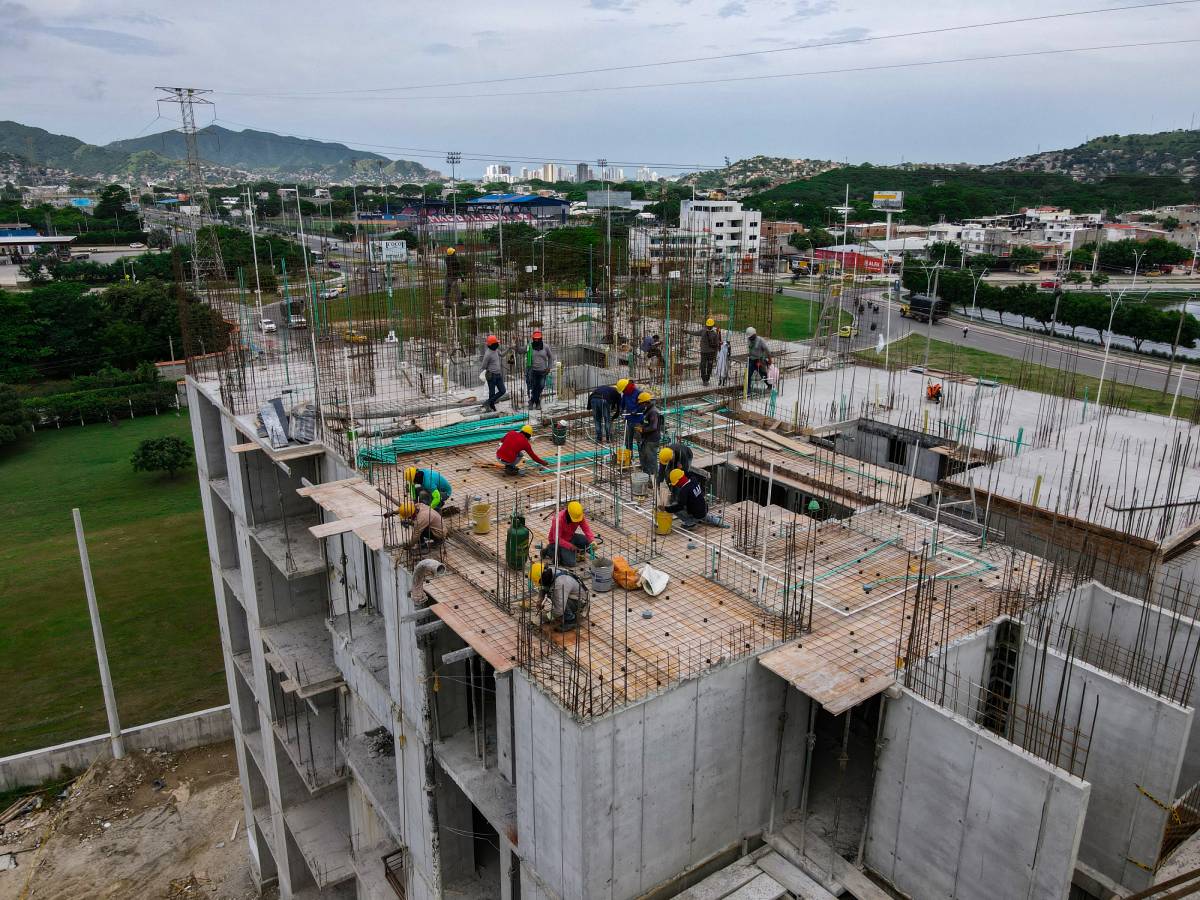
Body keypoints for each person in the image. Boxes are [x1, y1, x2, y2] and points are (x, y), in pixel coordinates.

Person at [529, 562, 587, 632]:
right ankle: (566, 613)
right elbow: (543, 586)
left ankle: (571, 620)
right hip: (571, 595)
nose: (540, 584)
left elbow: (559, 610)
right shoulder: (550, 571)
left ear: (543, 578)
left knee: (554, 595)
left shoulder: (560, 584)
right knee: (551, 592)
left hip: (579, 602)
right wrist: (540, 599)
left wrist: (543, 618)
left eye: (540, 582)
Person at [542, 500, 599, 567]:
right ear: (568, 513)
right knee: (571, 563)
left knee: (587, 541)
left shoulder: (578, 514)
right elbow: (557, 539)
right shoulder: (558, 520)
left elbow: (586, 528)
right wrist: (570, 546)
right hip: (557, 542)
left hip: (570, 537)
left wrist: (592, 540)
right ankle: (549, 550)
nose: (577, 520)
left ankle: (572, 551)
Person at [525, 329, 554, 409]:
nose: (536, 340)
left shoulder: (546, 347)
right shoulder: (530, 346)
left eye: (538, 339)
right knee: (534, 386)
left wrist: (549, 367)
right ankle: (537, 402)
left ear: (541, 338)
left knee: (541, 386)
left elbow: (551, 357)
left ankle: (532, 401)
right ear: (533, 339)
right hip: (533, 371)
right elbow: (521, 350)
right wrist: (516, 344)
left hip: (543, 371)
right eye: (535, 339)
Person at [634, 392, 661, 477]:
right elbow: (647, 422)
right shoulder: (648, 410)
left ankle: (654, 479)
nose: (640, 405)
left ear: (645, 402)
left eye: (641, 403)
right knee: (646, 458)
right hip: (647, 439)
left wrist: (642, 429)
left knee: (652, 460)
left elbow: (653, 427)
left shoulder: (653, 412)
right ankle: (648, 476)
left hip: (652, 440)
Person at [480, 334, 507, 411]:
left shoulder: (496, 350)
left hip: (498, 375)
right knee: (491, 393)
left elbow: (501, 354)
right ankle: (491, 405)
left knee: (503, 390)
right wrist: (490, 368)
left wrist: (509, 349)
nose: (497, 344)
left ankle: (488, 402)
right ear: (492, 345)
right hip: (491, 376)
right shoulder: (487, 354)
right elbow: (483, 366)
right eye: (496, 343)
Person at [617, 378, 641, 449]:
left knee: (639, 441)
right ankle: (629, 458)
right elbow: (622, 404)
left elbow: (642, 405)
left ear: (627, 387)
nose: (623, 392)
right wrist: (621, 409)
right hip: (629, 420)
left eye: (624, 390)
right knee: (628, 441)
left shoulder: (638, 393)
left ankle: (642, 458)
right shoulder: (625, 394)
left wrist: (636, 411)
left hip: (638, 420)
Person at [746, 326, 771, 390]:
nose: (750, 338)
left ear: (754, 334)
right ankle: (748, 390)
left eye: (751, 337)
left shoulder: (760, 340)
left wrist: (770, 360)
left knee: (763, 374)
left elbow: (767, 351)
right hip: (751, 360)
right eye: (749, 337)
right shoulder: (749, 339)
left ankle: (770, 385)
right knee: (748, 375)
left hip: (759, 360)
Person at [699, 318, 721, 386]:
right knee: (706, 366)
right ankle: (705, 380)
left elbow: (717, 344)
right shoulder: (707, 332)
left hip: (707, 353)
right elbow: (717, 345)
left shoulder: (712, 333)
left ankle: (705, 380)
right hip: (707, 353)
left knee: (706, 366)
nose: (708, 327)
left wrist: (687, 331)